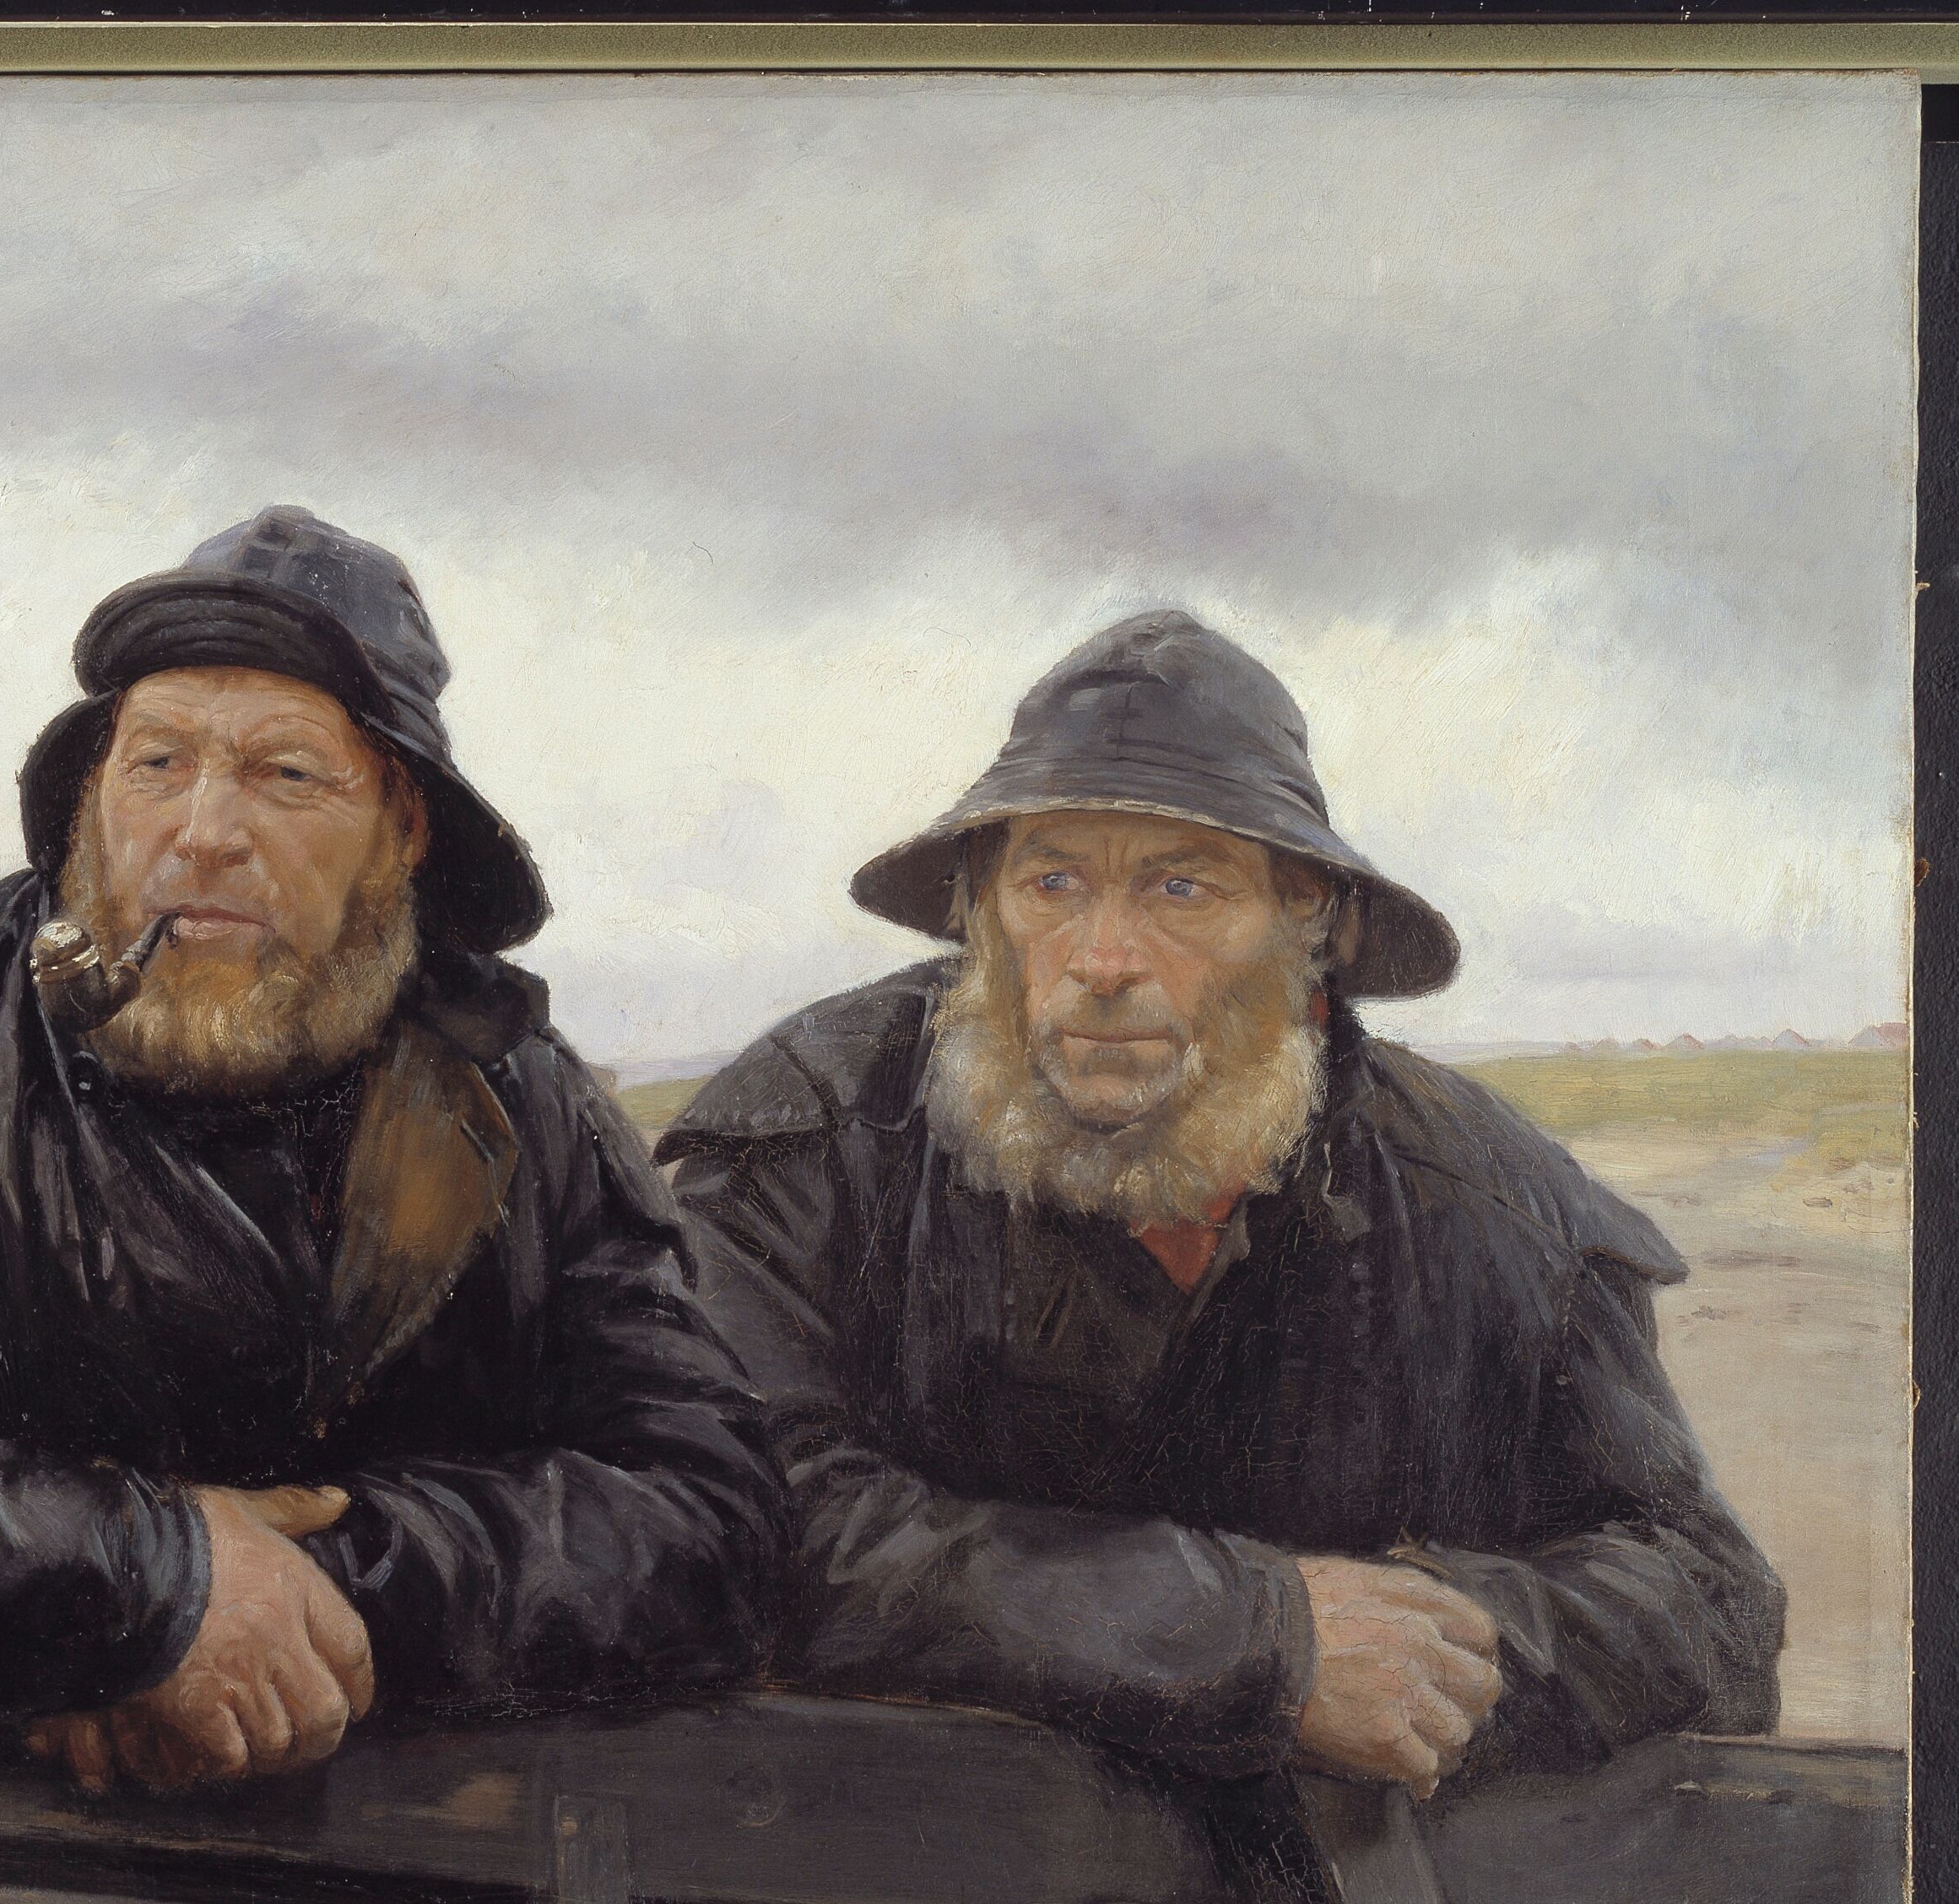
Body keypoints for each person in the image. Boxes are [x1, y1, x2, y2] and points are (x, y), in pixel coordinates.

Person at [0, 506, 779, 1793]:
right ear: (89, 801)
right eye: (157, 762)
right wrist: (124, 1583)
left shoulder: (519, 1095)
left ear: (402, 829)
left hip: (371, 1867)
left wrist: (302, 1595)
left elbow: (708, 1518)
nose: (203, 830)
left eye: (286, 774)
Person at [662, 610, 1782, 1793]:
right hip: (880, 1878)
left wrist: (1431, 1641)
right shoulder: (820, 1128)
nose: (1101, 959)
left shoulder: (1494, 1205)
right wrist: (1254, 1638)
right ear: (983, 914)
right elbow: (725, 1517)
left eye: (1180, 889)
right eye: (1051, 882)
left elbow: (1707, 1601)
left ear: (1309, 930)